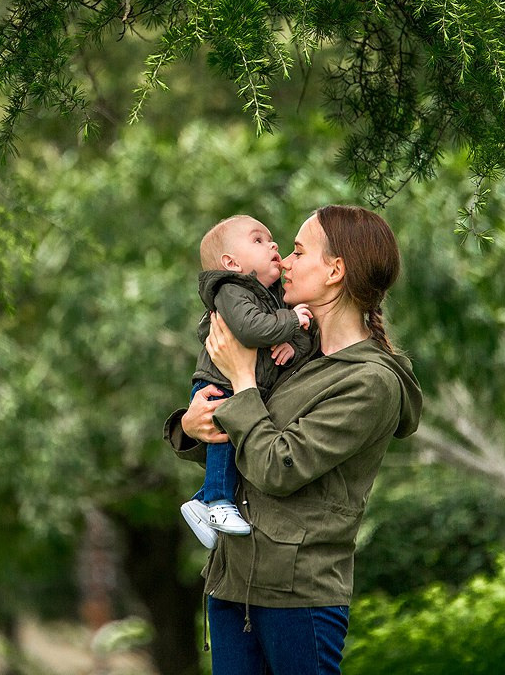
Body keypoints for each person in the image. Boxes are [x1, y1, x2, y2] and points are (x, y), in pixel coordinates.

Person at [164, 205, 422, 675]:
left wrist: (242, 380)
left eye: (299, 252)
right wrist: (191, 426)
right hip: (232, 586)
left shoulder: (369, 382)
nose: (284, 261)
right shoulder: (292, 351)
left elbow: (277, 467)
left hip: (297, 597)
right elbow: (241, 443)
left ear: (335, 271)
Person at [182, 215, 315, 549]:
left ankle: (203, 500)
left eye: (272, 239)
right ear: (232, 263)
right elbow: (251, 329)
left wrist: (287, 335)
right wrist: (288, 321)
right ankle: (217, 502)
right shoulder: (232, 290)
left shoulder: (267, 295)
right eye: (259, 240)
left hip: (238, 382)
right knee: (226, 441)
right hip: (220, 383)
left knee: (231, 445)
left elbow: (280, 336)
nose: (274, 246)